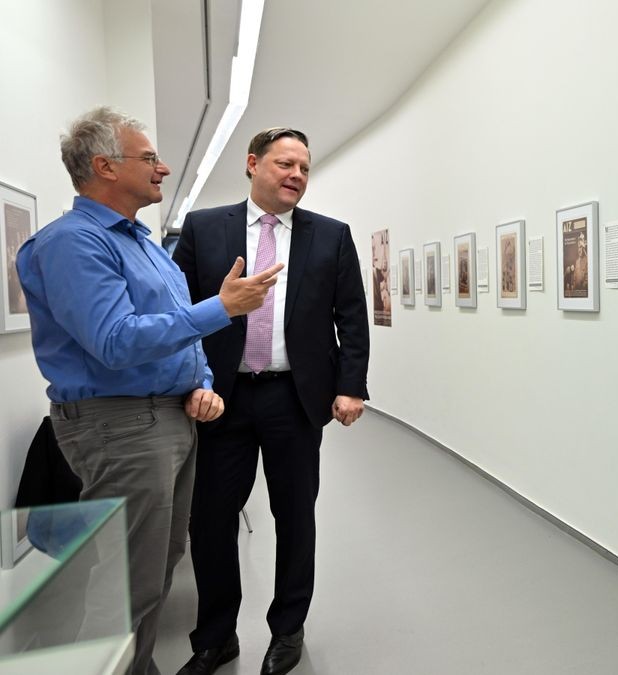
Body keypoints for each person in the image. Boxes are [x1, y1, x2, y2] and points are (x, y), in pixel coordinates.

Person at [15, 106, 281, 675]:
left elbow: (175, 335)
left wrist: (202, 384)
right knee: (125, 582)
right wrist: (223, 308)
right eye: (150, 158)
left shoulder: (141, 242)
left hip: (166, 419)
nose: (162, 169)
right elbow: (112, 341)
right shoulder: (72, 244)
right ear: (105, 167)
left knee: (158, 565)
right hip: (121, 425)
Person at [172, 127, 370, 675]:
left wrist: (351, 385)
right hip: (221, 398)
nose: (296, 176)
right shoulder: (205, 229)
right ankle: (215, 637)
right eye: (285, 164)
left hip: (295, 398)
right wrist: (191, 383)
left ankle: (287, 630)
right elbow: (180, 317)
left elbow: (352, 317)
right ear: (253, 164)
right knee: (210, 521)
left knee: (295, 517)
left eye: (304, 168)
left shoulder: (330, 236)